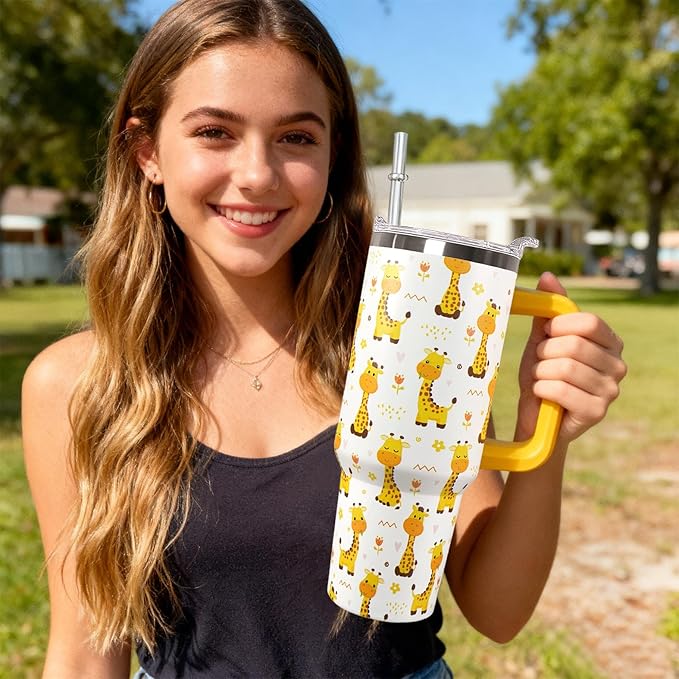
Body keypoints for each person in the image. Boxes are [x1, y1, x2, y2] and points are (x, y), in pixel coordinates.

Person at [21, 0, 627, 677]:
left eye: (296, 137)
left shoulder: (415, 343)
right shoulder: (76, 385)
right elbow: (83, 657)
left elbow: (498, 609)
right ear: (147, 152)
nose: (257, 174)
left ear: (333, 155)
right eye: (215, 132)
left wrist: (544, 433)